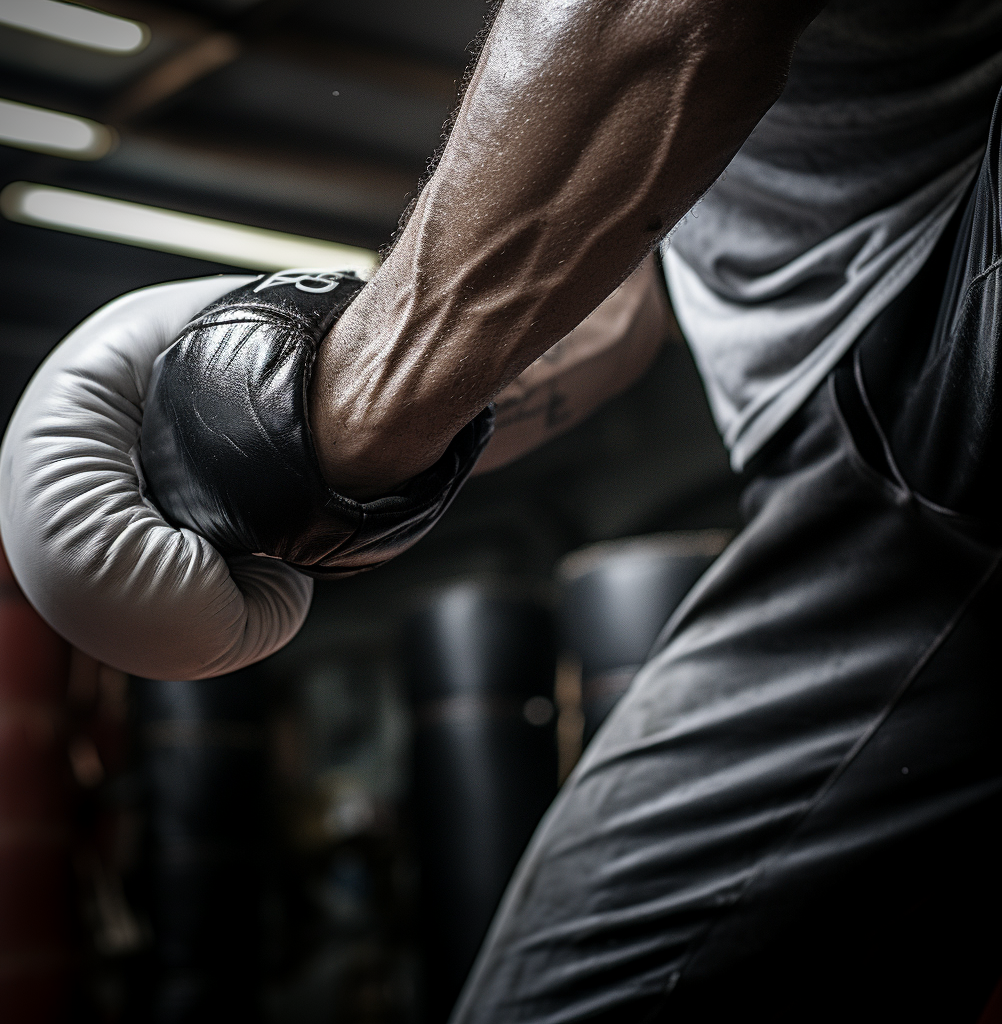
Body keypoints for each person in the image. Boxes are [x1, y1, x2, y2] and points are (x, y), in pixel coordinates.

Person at [303, 0, 1002, 1020]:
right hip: (856, 469)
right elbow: (615, 314)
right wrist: (339, 402)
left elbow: (655, 15)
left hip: (948, 324)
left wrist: (345, 419)